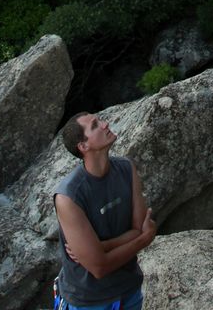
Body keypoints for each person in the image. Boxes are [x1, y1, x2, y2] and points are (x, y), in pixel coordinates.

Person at [53, 112, 156, 310]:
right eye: (95, 125)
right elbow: (99, 267)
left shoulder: (126, 169)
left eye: (100, 120)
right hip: (87, 302)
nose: (105, 124)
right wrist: (143, 240)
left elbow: (140, 228)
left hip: (129, 292)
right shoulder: (69, 196)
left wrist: (103, 246)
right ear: (83, 146)